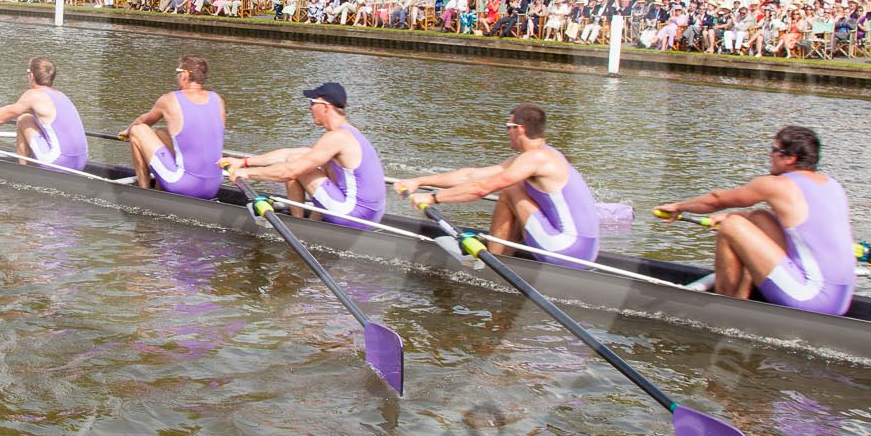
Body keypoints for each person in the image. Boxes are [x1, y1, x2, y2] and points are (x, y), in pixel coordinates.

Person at [654, 125, 854, 315]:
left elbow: (717, 199)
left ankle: (724, 307)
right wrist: (741, 217)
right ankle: (742, 296)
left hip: (811, 299)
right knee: (759, 217)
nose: (770, 155)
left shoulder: (777, 185)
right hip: (841, 301)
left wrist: (678, 207)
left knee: (731, 227)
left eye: (774, 149)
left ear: (790, 158)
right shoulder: (833, 186)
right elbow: (798, 228)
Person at [393, 103, 600, 268]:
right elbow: (471, 176)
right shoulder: (543, 155)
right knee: (514, 186)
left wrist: (432, 198)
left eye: (507, 127)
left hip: (568, 250)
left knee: (510, 188)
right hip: (586, 250)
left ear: (519, 129)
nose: (506, 133)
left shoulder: (535, 159)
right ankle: (504, 253)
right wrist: (419, 181)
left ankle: (492, 261)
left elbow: (482, 188)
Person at [225, 81, 385, 228]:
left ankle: (298, 227)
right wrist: (244, 162)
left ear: (326, 107)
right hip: (371, 215)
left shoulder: (337, 137)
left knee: (296, 166)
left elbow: (290, 170)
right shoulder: (350, 133)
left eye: (312, 103)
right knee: (305, 161)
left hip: (353, 216)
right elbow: (290, 154)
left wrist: (247, 173)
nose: (309, 108)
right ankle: (308, 223)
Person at [123, 54, 226, 199]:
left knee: (137, 131)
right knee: (161, 133)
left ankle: (144, 193)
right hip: (213, 186)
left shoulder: (169, 99)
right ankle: (160, 189)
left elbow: (144, 122)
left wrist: (127, 131)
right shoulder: (218, 100)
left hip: (185, 185)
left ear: (184, 74)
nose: (177, 77)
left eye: (177, 73)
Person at [0, 54, 88, 171]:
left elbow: (0, 119)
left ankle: (23, 170)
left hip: (59, 162)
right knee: (28, 117)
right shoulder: (61, 95)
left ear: (32, 76)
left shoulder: (34, 95)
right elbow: (6, 110)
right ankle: (32, 162)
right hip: (81, 162)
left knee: (23, 120)